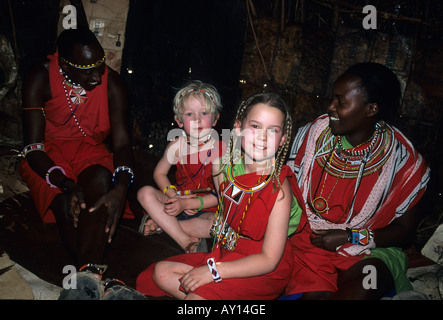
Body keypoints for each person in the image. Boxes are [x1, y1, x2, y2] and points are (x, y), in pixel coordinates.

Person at [136, 92, 303, 300]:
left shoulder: (280, 190)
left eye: (273, 130)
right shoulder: (223, 166)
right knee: (161, 272)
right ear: (238, 128)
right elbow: (224, 213)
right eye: (255, 126)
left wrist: (213, 271)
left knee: (194, 299)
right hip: (229, 250)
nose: (262, 137)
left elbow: (269, 260)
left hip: (261, 266)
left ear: (283, 139)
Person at [285, 62, 430, 299]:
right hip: (309, 239)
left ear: (371, 109)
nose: (330, 106)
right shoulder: (312, 136)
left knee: (363, 287)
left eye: (341, 102)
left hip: (369, 249)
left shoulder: (403, 160)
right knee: (313, 294)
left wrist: (349, 236)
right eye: (333, 98)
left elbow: (404, 231)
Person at [19, 28, 134, 267]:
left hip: (89, 149)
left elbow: (122, 143)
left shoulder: (113, 84)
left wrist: (121, 187)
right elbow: (33, 148)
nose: (97, 77)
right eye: (86, 69)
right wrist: (66, 183)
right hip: (47, 155)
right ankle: (91, 272)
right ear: (64, 65)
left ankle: (87, 274)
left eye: (100, 65)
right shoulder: (39, 77)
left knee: (103, 184)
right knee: (65, 201)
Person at [136, 81, 225, 253]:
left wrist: (192, 204)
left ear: (215, 119)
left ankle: (163, 225)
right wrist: (174, 196)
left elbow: (221, 196)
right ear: (179, 121)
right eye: (190, 114)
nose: (197, 119)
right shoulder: (176, 146)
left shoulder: (222, 151)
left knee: (221, 226)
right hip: (176, 202)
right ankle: (185, 240)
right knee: (144, 193)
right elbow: (160, 173)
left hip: (206, 208)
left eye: (204, 113)